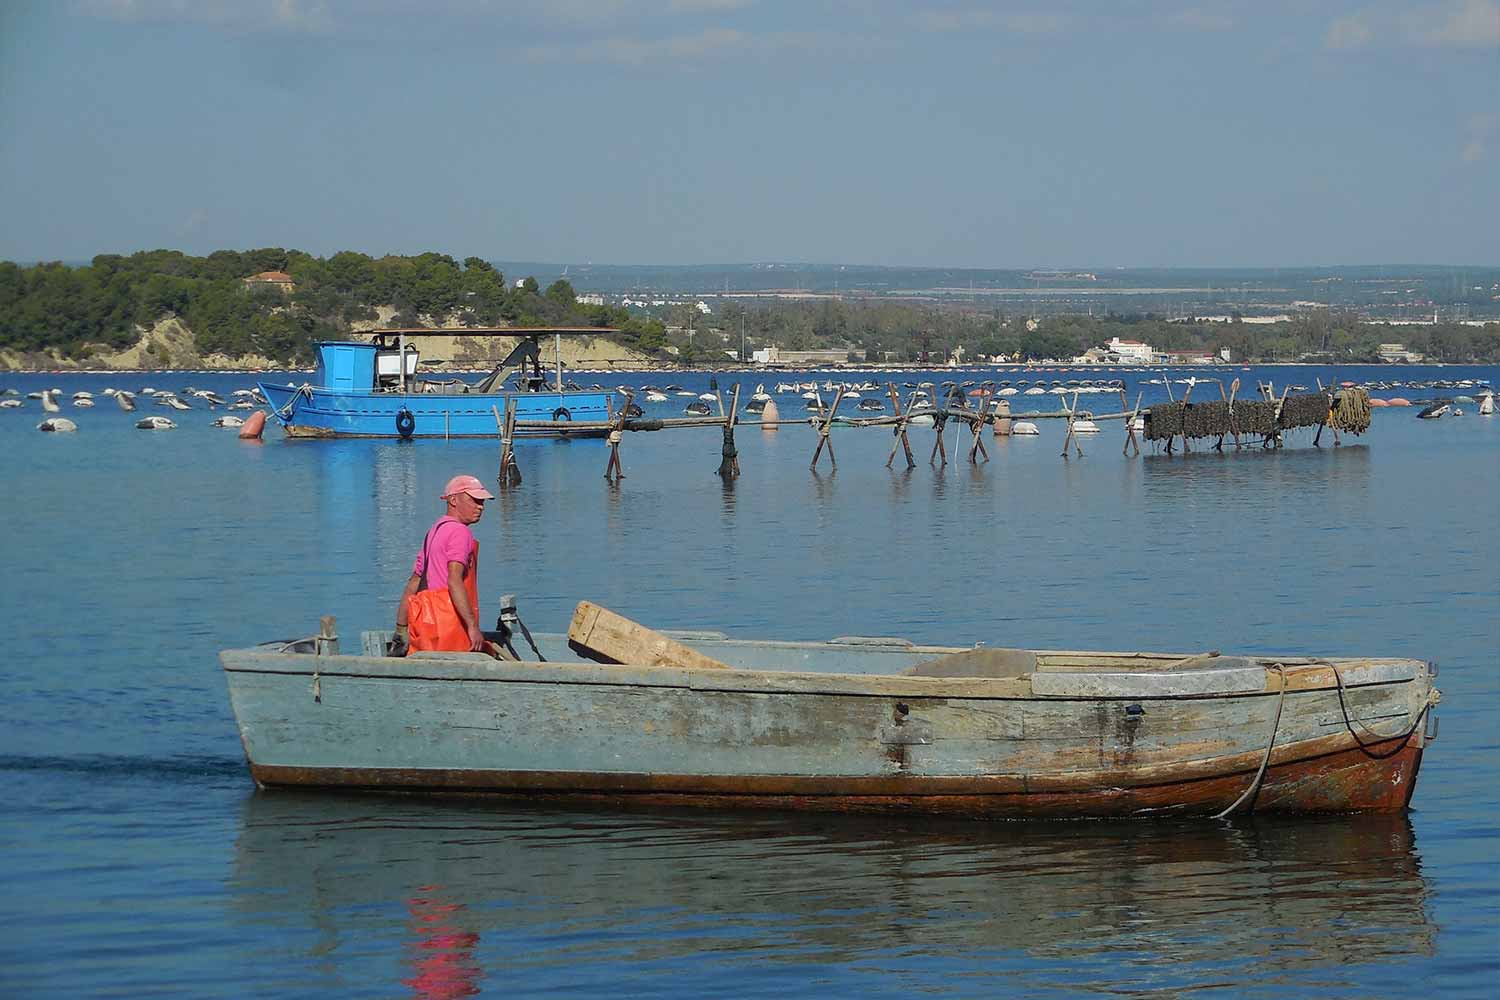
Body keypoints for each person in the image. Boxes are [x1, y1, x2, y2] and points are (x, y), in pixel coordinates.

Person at [392, 474, 494, 654]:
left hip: (426, 622)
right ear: (453, 500)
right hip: (449, 622)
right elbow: (454, 580)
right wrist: (472, 626)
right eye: (475, 500)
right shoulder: (460, 532)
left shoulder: (434, 531)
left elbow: (413, 584)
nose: (480, 507)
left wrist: (401, 629)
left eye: (482, 502)